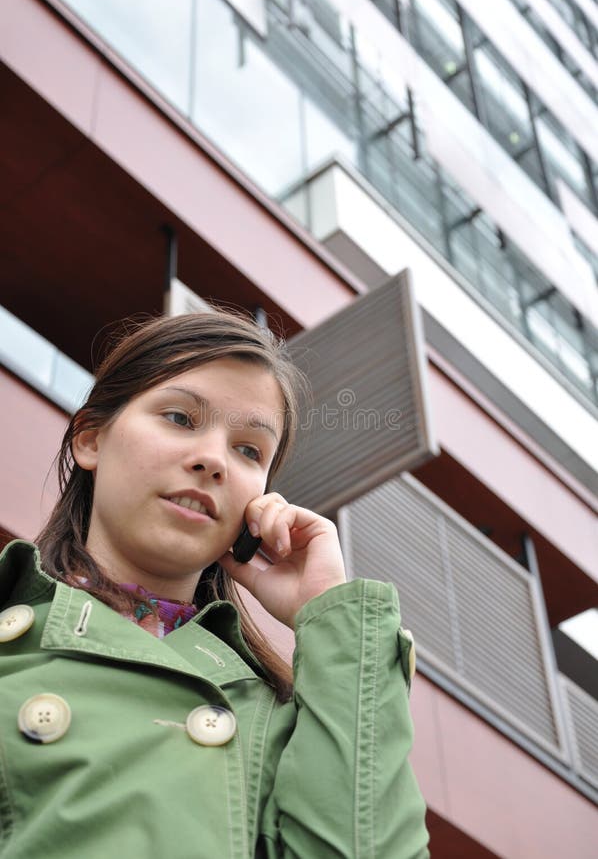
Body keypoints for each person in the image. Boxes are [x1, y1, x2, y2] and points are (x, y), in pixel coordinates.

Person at [0, 309, 430, 858]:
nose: (212, 460)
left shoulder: (288, 720)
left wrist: (329, 616)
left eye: (249, 450)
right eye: (180, 418)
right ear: (91, 439)